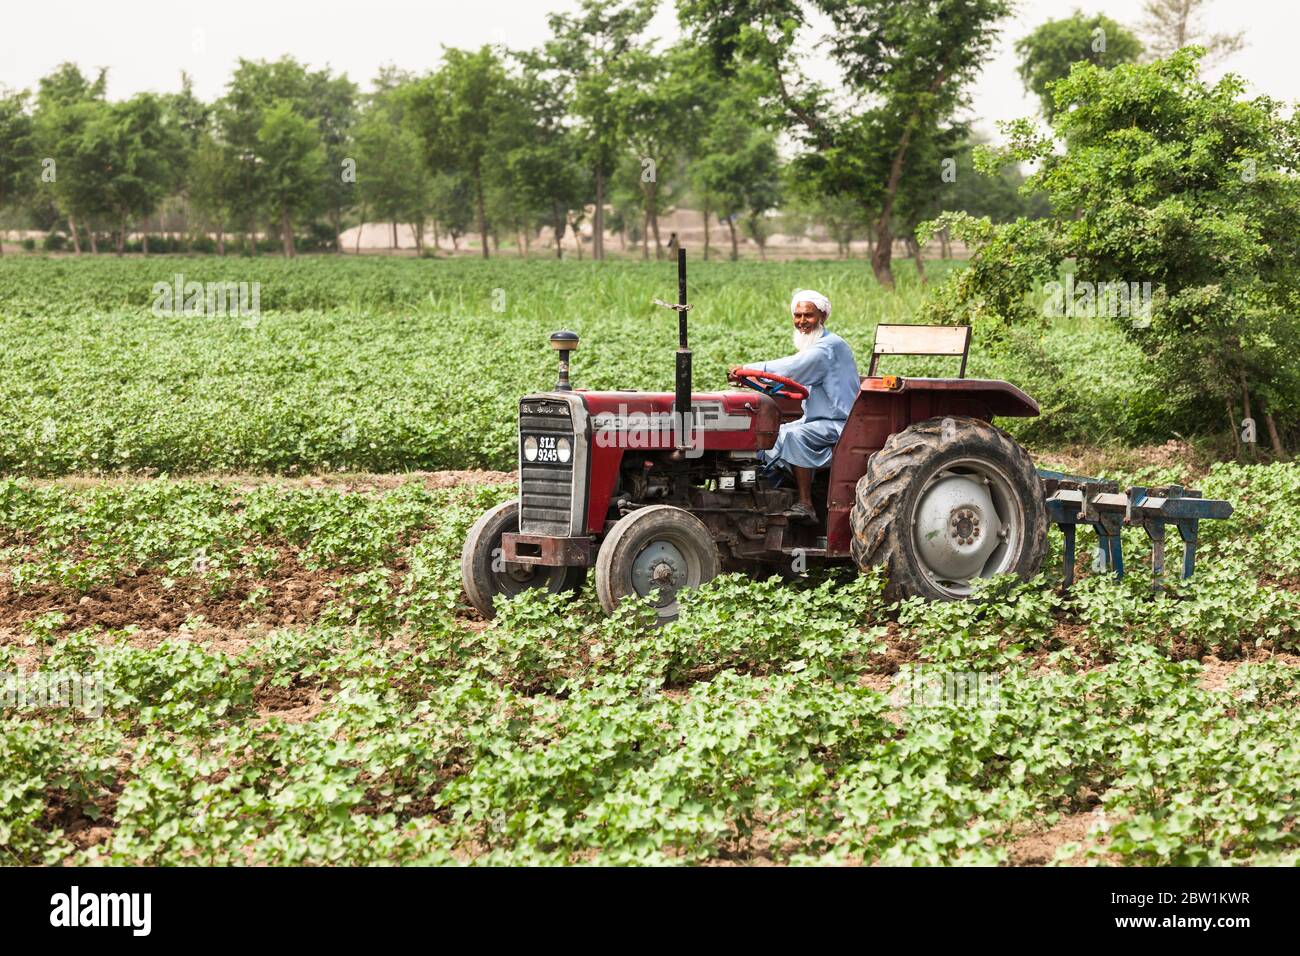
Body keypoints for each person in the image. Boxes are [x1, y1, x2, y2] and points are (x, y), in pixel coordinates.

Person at [728, 290, 860, 522]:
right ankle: (761, 494)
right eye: (797, 315)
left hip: (840, 424)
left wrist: (748, 368)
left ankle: (805, 504)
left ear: (822, 316)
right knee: (769, 435)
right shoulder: (815, 346)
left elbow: (793, 368)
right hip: (817, 421)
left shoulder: (827, 348)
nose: (801, 322)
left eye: (808, 315)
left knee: (794, 436)